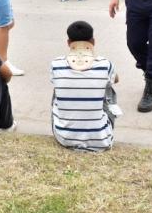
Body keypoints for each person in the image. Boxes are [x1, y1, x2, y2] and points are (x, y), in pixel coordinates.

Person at [50, 21, 119, 152]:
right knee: (108, 87)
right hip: (101, 139)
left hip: (64, 137)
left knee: (57, 90)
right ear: (93, 41)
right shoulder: (105, 64)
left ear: (68, 43)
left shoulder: (55, 64)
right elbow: (116, 79)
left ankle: (69, 127)